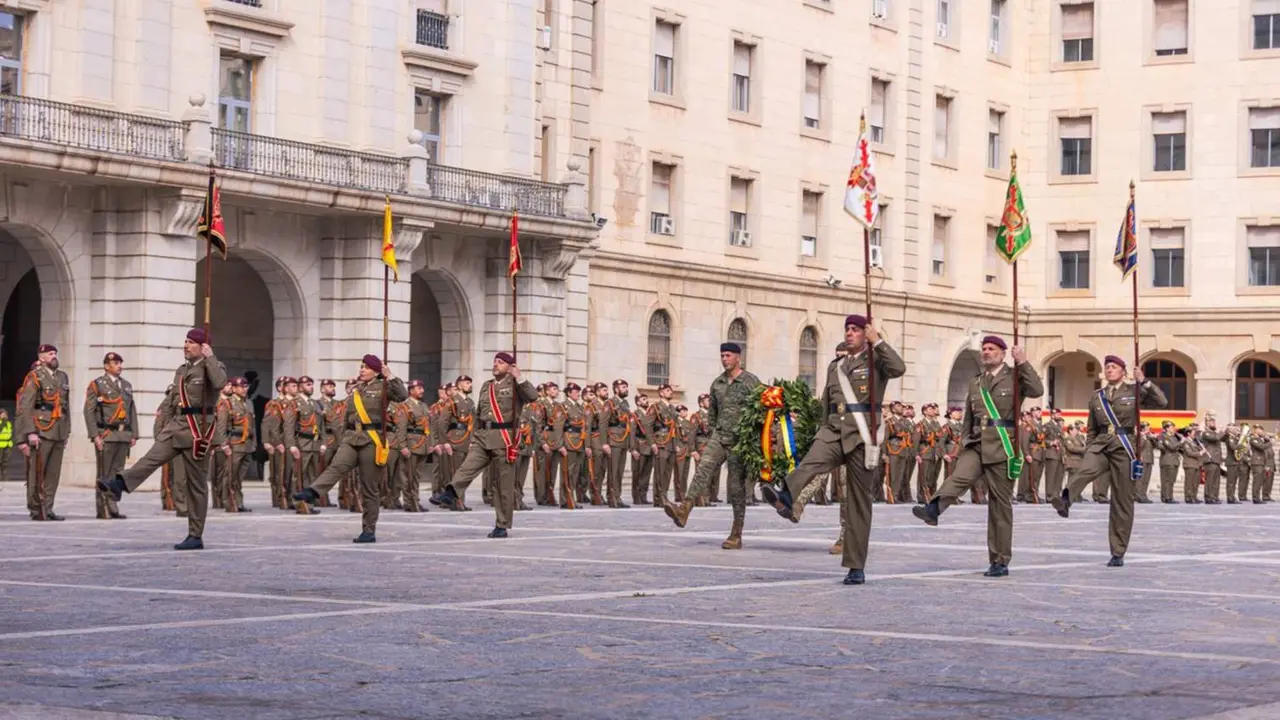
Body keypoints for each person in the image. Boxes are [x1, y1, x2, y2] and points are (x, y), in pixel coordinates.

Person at [758, 315, 906, 585]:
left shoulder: (876, 361)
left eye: (856, 330)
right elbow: (827, 401)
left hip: (862, 436)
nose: (850, 334)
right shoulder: (835, 366)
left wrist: (879, 342)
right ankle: (787, 496)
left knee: (859, 504)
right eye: (847, 330)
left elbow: (899, 368)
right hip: (834, 431)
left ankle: (855, 565)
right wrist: (821, 428)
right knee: (811, 461)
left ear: (866, 333)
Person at [911, 336, 1044, 578]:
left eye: (991, 349)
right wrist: (962, 444)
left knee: (999, 505)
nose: (986, 352)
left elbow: (1037, 389)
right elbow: (969, 417)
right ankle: (934, 509)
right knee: (959, 478)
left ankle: (1000, 559)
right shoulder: (976, 382)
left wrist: (1023, 362)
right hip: (976, 444)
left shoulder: (1015, 377)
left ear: (1003, 354)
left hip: (1003, 446)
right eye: (983, 349)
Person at [99, 329, 228, 549]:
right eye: (185, 342)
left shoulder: (211, 367)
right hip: (177, 427)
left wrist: (210, 357)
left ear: (202, 346)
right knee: (152, 458)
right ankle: (120, 483)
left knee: (196, 485)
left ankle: (195, 535)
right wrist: (163, 427)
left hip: (198, 431)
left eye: (191, 342)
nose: (186, 346)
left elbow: (219, 383)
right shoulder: (182, 370)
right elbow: (172, 400)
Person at [1051, 355, 1167, 566]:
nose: (1109, 370)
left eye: (1114, 367)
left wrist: (1144, 382)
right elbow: (1092, 427)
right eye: (1107, 367)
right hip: (1101, 444)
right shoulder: (1097, 397)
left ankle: (1118, 551)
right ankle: (1066, 500)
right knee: (1085, 470)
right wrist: (1089, 449)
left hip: (1124, 446)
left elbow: (1162, 401)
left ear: (1123, 371)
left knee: (1122, 501)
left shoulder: (1134, 391)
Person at [291, 354, 407, 543]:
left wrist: (390, 376)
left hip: (371, 440)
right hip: (352, 437)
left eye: (366, 368)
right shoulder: (357, 388)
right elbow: (347, 415)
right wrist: (343, 436)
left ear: (376, 371)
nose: (362, 370)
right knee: (336, 466)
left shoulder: (384, 387)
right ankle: (313, 492)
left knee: (369, 488)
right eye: (361, 367)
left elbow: (402, 396)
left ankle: (368, 530)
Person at [662, 342, 761, 550]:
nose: (724, 359)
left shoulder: (751, 382)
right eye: (722, 356)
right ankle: (684, 509)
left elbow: (760, 412)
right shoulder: (717, 383)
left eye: (728, 356)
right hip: (719, 436)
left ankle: (736, 533)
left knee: (736, 488)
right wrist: (715, 433)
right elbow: (713, 414)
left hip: (740, 441)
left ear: (738, 358)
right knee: (702, 470)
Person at [429, 352, 537, 537]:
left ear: (509, 367)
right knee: (468, 466)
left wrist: (520, 377)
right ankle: (451, 492)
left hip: (504, 439)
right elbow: (480, 413)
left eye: (501, 362)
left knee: (503, 485)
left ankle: (502, 524)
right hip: (483, 436)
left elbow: (532, 396)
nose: (495, 364)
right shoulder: (487, 386)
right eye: (495, 361)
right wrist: (474, 436)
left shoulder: (515, 385)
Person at [17, 344, 72, 521]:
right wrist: (30, 432)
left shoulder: (62, 377)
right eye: (50, 354)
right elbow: (26, 407)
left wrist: (67, 431)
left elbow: (65, 406)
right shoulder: (35, 377)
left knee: (53, 474)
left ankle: (48, 507)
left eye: (55, 353)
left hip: (58, 430)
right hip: (42, 429)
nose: (54, 356)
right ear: (41, 357)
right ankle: (36, 508)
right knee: (37, 473)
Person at [84, 352, 138, 520]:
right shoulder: (98, 384)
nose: (119, 365)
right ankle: (103, 509)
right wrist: (95, 436)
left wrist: (134, 433)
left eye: (120, 362)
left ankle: (114, 505)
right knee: (104, 473)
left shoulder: (126, 385)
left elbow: (132, 411)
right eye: (115, 363)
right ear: (106, 366)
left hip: (123, 434)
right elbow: (89, 411)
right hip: (106, 433)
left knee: (118, 472)